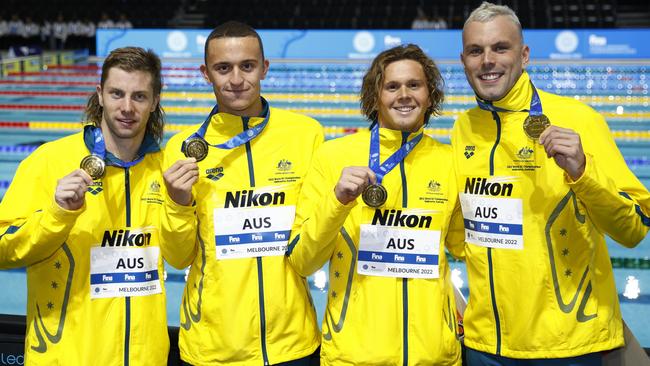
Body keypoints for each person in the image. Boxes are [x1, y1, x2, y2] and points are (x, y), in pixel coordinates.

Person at [451, 2, 650, 365]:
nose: (487, 60)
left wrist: (582, 171)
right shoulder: (464, 129)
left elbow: (634, 229)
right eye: (476, 51)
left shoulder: (578, 120)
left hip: (566, 345)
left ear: (524, 54)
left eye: (500, 48)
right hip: (485, 345)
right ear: (463, 60)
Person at [287, 44, 462, 365]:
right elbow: (302, 261)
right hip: (355, 355)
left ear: (430, 93)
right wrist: (337, 201)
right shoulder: (333, 158)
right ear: (375, 95)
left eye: (414, 85)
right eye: (392, 86)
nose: (404, 94)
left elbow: (467, 249)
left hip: (434, 356)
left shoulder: (449, 161)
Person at [161, 21, 323, 365]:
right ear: (206, 74)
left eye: (247, 66)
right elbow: (177, 258)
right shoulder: (182, 149)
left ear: (264, 67)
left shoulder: (306, 135)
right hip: (214, 347)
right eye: (223, 68)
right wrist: (177, 202)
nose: (236, 79)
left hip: (293, 345)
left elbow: (315, 242)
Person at [0, 47, 169, 365]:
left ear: (155, 101)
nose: (127, 107)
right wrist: (57, 212)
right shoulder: (49, 160)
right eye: (117, 93)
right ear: (100, 95)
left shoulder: (165, 170)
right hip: (66, 354)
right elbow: (3, 249)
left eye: (139, 96)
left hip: (145, 357)